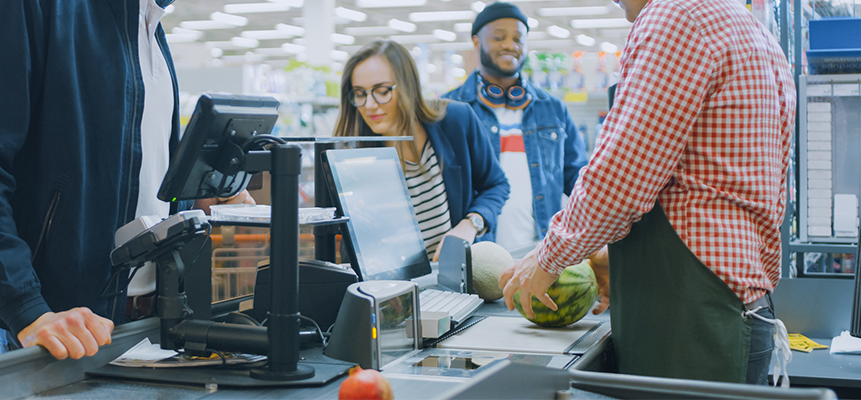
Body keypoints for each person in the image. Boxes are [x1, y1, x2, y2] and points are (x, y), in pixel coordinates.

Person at [0, 0, 252, 361]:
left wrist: (196, 200)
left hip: (151, 322)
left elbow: (133, 173)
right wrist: (28, 309)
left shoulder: (149, 26)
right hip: (63, 330)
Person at [500, 0, 796, 385]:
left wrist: (549, 257)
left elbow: (620, 176)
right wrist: (614, 259)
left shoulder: (675, 16)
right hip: (737, 308)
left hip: (690, 322)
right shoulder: (751, 29)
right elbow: (708, 188)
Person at [334, 39, 509, 261]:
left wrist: (470, 224)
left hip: (460, 278)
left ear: (407, 86)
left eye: (382, 90)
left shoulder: (456, 121)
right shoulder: (355, 157)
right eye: (359, 93)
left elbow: (496, 185)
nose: (369, 105)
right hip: (395, 286)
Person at [443, 2, 588, 259]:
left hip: (541, 254)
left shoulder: (552, 109)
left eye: (518, 38)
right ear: (477, 42)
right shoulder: (450, 110)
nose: (510, 45)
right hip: (478, 254)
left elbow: (578, 180)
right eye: (499, 37)